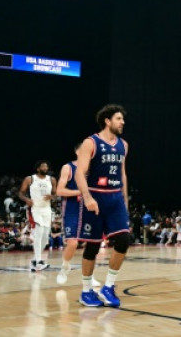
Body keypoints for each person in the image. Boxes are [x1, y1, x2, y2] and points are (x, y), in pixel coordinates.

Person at [74, 104, 131, 308]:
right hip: (95, 197)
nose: (122, 122)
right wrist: (87, 197)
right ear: (107, 121)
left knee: (124, 239)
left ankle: (108, 286)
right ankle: (86, 290)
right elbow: (79, 173)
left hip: (115, 198)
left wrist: (125, 199)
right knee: (93, 245)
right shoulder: (90, 143)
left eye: (122, 119)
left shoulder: (123, 145)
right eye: (118, 118)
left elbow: (122, 173)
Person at [55, 145, 102, 287]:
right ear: (77, 151)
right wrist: (81, 192)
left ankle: (89, 275)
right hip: (72, 210)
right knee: (73, 243)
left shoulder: (94, 169)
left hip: (89, 209)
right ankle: (65, 267)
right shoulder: (68, 167)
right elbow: (59, 190)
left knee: (92, 244)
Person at [19, 160, 56, 272]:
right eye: (43, 166)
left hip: (47, 209)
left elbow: (55, 193)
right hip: (35, 209)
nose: (45, 168)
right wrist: (26, 199)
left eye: (46, 166)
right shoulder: (30, 179)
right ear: (38, 168)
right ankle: (39, 262)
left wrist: (52, 196)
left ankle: (35, 260)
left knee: (45, 237)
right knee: (38, 233)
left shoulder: (52, 179)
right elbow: (20, 193)